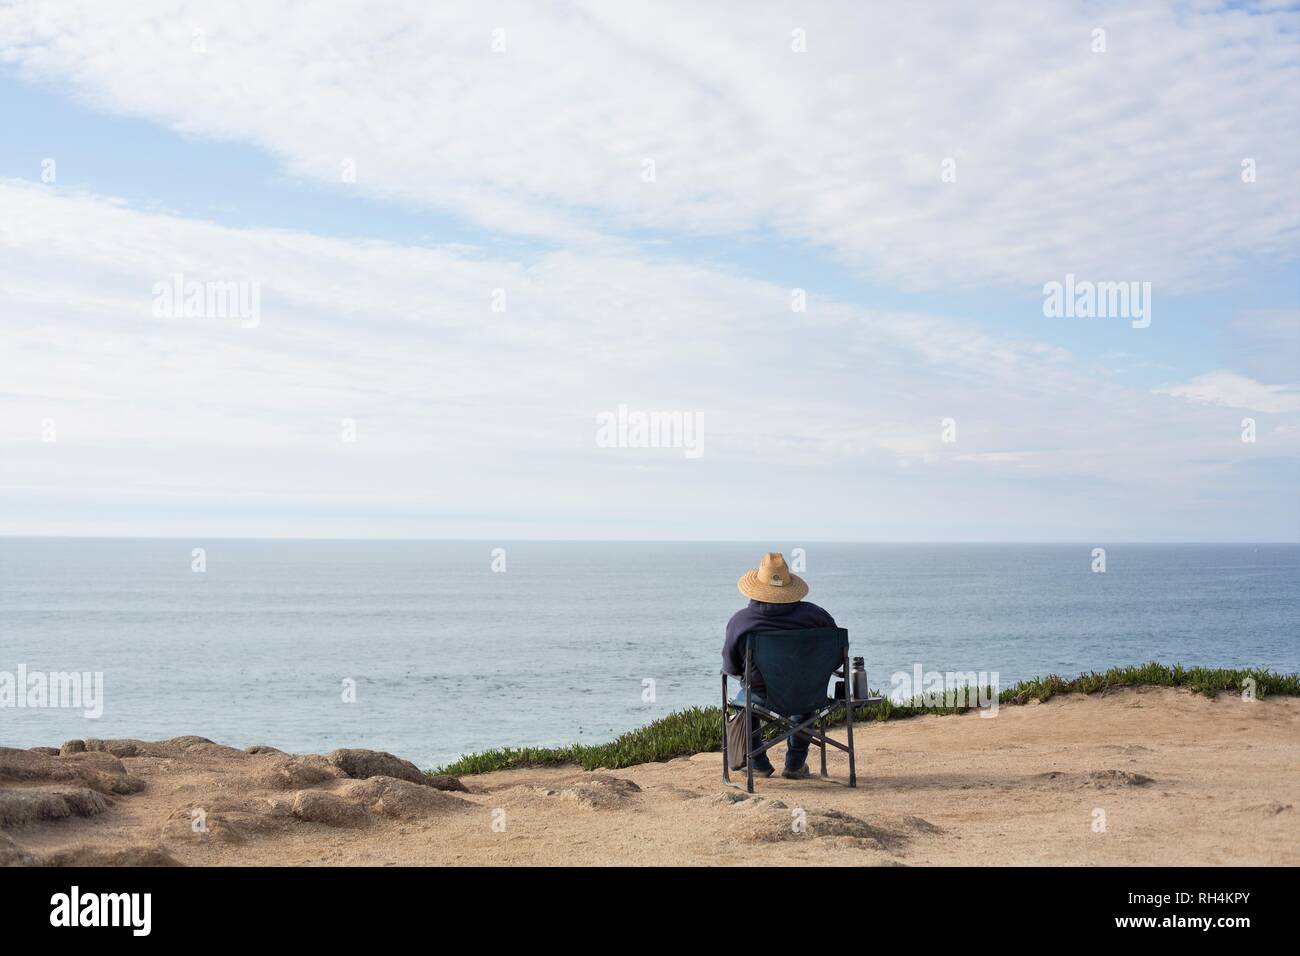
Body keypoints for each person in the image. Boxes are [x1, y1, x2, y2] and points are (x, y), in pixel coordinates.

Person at [722, 551, 837, 779]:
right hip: (807, 694)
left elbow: (731, 665)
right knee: (804, 698)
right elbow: (833, 657)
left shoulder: (741, 621)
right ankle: (795, 765)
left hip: (760, 696)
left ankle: (757, 762)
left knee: (744, 702)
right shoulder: (816, 616)